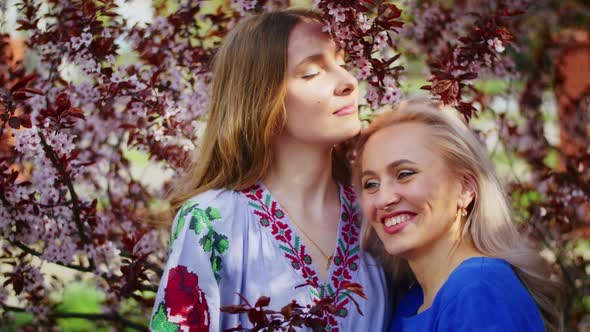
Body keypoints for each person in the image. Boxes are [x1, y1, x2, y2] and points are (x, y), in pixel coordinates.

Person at [148, 9, 390, 332]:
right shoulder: (211, 222)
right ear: (262, 99)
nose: (347, 82)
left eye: (342, 64)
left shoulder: (376, 217)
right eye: (312, 73)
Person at [354, 100, 564, 331]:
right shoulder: (414, 301)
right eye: (371, 184)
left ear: (465, 188)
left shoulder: (479, 290)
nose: (384, 199)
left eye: (405, 174)